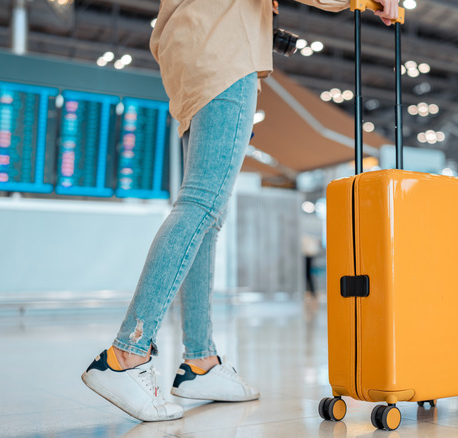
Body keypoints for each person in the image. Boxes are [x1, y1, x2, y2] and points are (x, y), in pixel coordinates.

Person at [81, 0, 400, 423]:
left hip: (190, 53)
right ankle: (126, 354)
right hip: (225, 54)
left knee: (206, 216)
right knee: (200, 204)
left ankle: (201, 362)